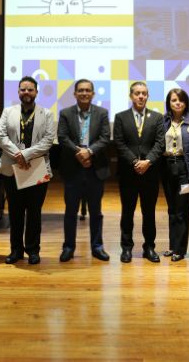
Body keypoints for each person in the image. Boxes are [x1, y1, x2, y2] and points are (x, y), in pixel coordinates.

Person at [0, 76, 56, 265]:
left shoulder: (47, 114)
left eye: (30, 89)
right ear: (18, 92)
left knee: (34, 213)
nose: (26, 93)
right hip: (12, 168)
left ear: (36, 92)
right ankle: (16, 250)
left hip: (36, 168)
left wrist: (26, 154)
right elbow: (1, 136)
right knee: (15, 212)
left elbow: (48, 141)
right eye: (23, 89)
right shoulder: (8, 112)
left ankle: (33, 250)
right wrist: (18, 155)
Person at [57, 79, 111, 262]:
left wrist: (89, 152)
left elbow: (105, 138)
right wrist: (79, 153)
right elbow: (62, 137)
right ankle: (68, 247)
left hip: (95, 168)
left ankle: (97, 247)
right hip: (73, 169)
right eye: (80, 90)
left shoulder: (102, 113)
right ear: (75, 94)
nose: (84, 93)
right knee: (70, 211)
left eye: (88, 90)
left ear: (93, 94)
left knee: (96, 212)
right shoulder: (65, 113)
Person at [113, 81, 166, 263]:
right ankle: (126, 248)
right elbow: (119, 143)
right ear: (131, 96)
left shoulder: (157, 117)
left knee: (149, 213)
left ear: (147, 96)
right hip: (128, 173)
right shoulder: (121, 117)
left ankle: (149, 247)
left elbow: (160, 143)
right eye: (137, 93)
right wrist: (135, 162)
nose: (141, 96)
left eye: (144, 93)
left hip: (150, 173)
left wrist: (147, 161)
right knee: (127, 212)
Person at [160, 88, 189, 261]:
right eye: (174, 100)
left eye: (181, 100)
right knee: (172, 210)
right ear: (169, 103)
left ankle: (180, 250)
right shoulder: (163, 121)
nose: (178, 103)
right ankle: (172, 246)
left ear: (186, 102)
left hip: (186, 169)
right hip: (167, 167)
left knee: (183, 210)